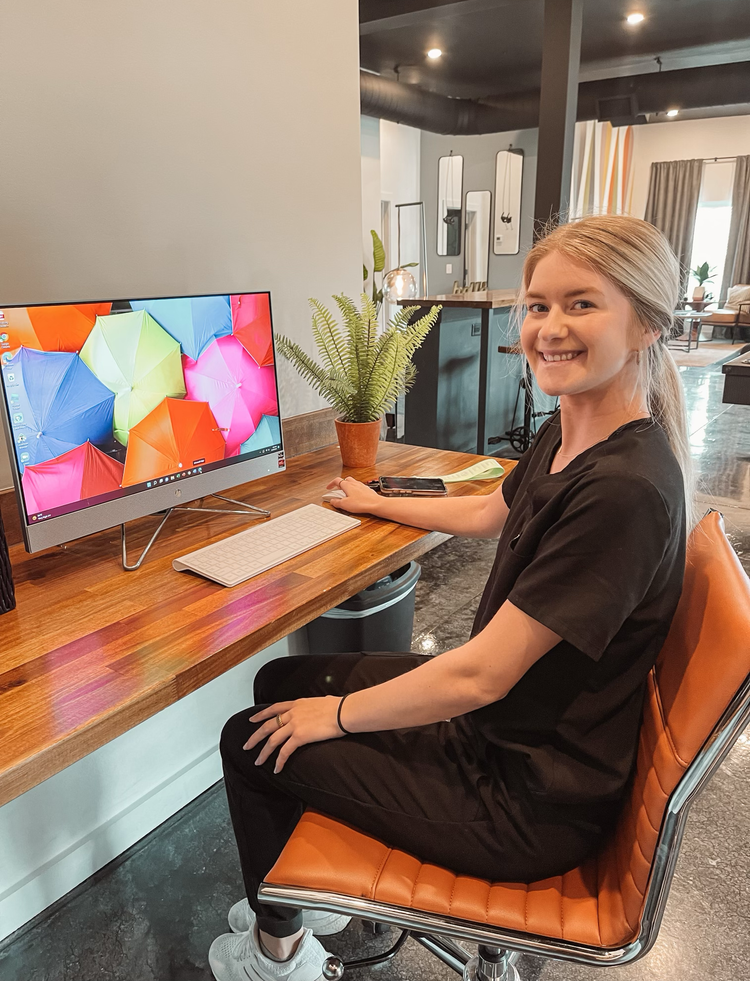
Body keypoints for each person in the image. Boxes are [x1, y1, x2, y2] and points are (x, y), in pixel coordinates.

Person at [209, 214, 691, 981]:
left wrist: (331, 718)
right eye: (537, 305)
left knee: (253, 739)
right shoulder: (576, 430)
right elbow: (486, 511)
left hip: (526, 800)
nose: (549, 327)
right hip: (504, 733)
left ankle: (278, 956)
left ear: (645, 325)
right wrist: (375, 501)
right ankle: (304, 900)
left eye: (581, 304)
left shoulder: (624, 492)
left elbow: (478, 677)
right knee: (280, 684)